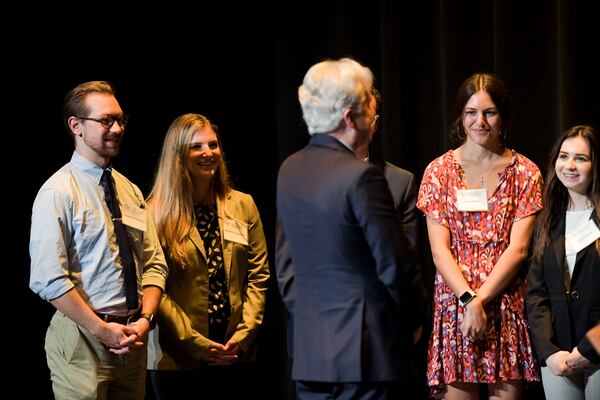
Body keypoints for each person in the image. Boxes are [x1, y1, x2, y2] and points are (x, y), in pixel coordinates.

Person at [276, 57, 426, 399]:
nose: (373, 119)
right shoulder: (361, 176)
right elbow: (396, 264)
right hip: (365, 357)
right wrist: (415, 321)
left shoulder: (290, 170)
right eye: (368, 110)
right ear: (349, 117)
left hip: (311, 356)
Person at [29, 81, 168, 399]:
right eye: (106, 120)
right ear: (75, 125)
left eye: (121, 120)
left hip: (132, 341)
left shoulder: (129, 190)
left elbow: (154, 263)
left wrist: (145, 320)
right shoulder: (59, 192)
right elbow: (48, 279)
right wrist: (103, 330)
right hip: (84, 341)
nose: (117, 128)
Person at [417, 73, 542, 399]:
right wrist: (468, 301)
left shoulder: (526, 172)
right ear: (460, 115)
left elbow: (519, 248)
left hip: (504, 305)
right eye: (471, 112)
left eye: (489, 112)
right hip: (456, 306)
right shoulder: (438, 171)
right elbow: (439, 250)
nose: (480, 121)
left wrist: (481, 300)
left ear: (503, 117)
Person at [145, 113, 270, 400]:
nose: (208, 153)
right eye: (197, 146)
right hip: (177, 359)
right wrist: (196, 344)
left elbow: (258, 275)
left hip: (236, 352)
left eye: (213, 145)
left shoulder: (243, 204)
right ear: (178, 155)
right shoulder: (155, 212)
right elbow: (153, 285)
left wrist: (244, 335)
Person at [526, 124, 600, 399]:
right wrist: (549, 351)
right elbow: (535, 294)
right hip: (559, 355)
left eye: (581, 158)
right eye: (563, 156)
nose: (570, 165)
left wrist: (591, 346)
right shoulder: (547, 221)